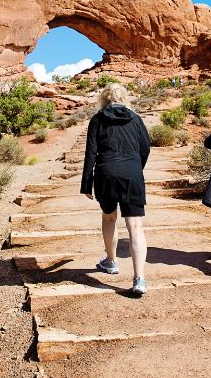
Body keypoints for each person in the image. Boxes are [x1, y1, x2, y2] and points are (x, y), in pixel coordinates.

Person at [81, 82, 151, 295]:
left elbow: (91, 153)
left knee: (109, 218)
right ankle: (139, 279)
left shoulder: (97, 119)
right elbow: (145, 148)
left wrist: (86, 183)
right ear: (125, 98)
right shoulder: (136, 119)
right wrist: (135, 169)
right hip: (132, 174)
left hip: (106, 173)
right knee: (135, 226)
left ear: (104, 99)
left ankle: (111, 262)